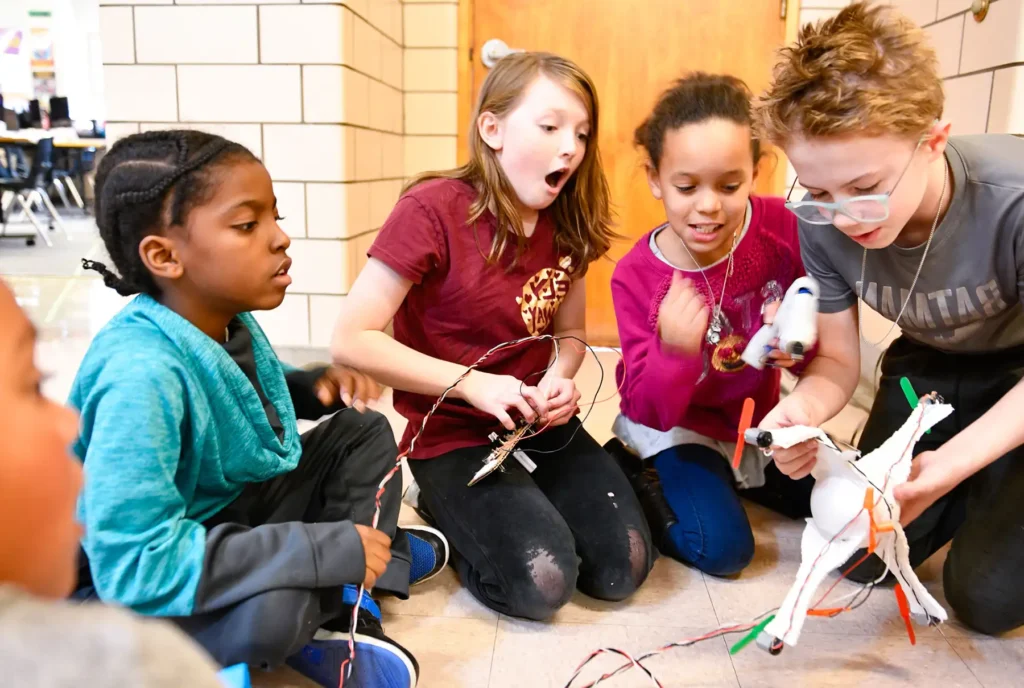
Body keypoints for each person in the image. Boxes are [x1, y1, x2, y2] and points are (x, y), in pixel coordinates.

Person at [68, 129, 448, 687]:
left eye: (276, 217)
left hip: (218, 514)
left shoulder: (220, 320)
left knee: (362, 431)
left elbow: (231, 398)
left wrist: (305, 387)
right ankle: (345, 581)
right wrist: (313, 548)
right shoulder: (139, 375)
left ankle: (354, 592)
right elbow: (136, 563)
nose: (281, 239)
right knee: (275, 613)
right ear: (165, 256)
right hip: (129, 582)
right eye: (248, 225)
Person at [330, 52, 654, 621]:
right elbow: (352, 339)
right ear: (492, 129)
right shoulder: (430, 210)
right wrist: (473, 385)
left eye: (581, 133)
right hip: (452, 433)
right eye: (550, 127)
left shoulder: (568, 219)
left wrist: (560, 379)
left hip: (536, 423)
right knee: (544, 582)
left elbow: (571, 333)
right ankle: (436, 497)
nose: (570, 148)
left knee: (622, 568)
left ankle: (533, 499)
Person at [756, 2, 1024, 635]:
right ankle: (976, 492)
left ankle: (989, 484)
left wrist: (951, 464)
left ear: (933, 139)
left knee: (985, 599)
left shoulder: (1011, 202)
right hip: (925, 372)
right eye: (819, 193)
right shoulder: (820, 227)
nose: (845, 217)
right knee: (862, 556)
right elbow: (840, 363)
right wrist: (804, 412)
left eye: (864, 186)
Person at [606, 73, 813, 577]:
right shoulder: (637, 277)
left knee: (843, 499)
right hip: (680, 429)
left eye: (729, 185)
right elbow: (646, 407)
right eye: (685, 186)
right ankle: (636, 473)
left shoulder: (782, 228)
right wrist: (675, 352)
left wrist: (794, 340)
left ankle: (739, 477)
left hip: (757, 422)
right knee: (722, 549)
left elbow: (812, 310)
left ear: (757, 171)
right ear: (655, 178)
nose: (708, 205)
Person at [0, 278, 227, 687]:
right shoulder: (130, 664)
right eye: (32, 386)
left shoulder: (229, 330)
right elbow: (133, 564)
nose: (71, 422)